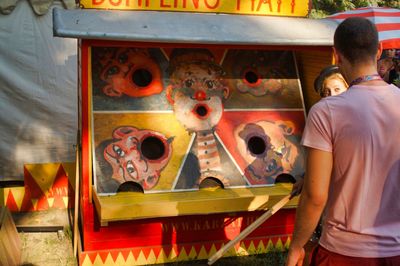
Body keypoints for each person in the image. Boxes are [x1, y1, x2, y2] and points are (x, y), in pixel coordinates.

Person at [286, 17, 400, 266]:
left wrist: (297, 245)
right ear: (378, 50)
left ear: (336, 55)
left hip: (343, 251)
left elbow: (316, 196)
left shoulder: (326, 111)